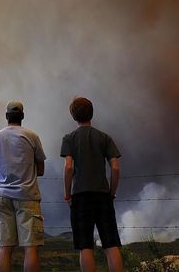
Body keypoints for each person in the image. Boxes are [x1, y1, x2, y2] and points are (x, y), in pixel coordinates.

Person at [60, 96, 124, 272]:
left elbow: (68, 167)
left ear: (73, 115)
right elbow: (116, 168)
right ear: (92, 114)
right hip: (103, 195)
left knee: (85, 246)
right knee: (111, 244)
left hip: (80, 196)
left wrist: (67, 194)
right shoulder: (104, 138)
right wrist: (111, 193)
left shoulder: (69, 138)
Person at [0, 101, 47, 272]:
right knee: (31, 248)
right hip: (27, 196)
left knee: (4, 248)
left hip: (1, 196)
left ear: (6, 116)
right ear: (22, 116)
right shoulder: (32, 137)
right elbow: (41, 169)